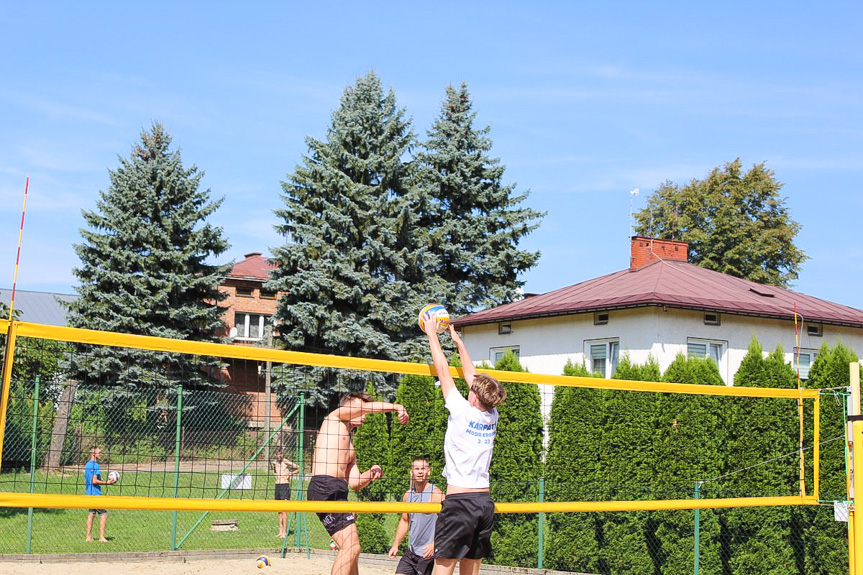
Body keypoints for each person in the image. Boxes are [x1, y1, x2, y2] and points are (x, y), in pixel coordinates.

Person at [422, 321, 506, 575]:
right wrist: (458, 341)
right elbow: (474, 377)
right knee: (470, 570)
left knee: (443, 567)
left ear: (473, 396)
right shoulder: (492, 415)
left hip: (459, 503)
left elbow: (443, 370)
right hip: (483, 502)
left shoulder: (461, 411)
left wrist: (431, 335)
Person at [308, 392, 410, 575]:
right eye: (359, 408)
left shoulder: (350, 446)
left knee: (353, 550)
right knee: (351, 547)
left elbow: (355, 483)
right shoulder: (334, 420)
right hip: (324, 487)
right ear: (347, 408)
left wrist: (370, 474)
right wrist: (396, 406)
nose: (363, 413)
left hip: (338, 491)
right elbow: (367, 408)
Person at [388, 457, 444, 575]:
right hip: (411, 553)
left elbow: (448, 522)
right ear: (411, 471)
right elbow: (404, 521)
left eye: (423, 469)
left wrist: (435, 544)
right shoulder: (408, 495)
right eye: (417, 468)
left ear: (429, 471)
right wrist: (395, 544)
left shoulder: (436, 494)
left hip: (428, 554)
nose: (420, 472)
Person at [84, 446, 116, 542]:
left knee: (91, 514)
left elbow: (91, 479)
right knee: (104, 514)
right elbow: (94, 481)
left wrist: (100, 479)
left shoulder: (87, 465)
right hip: (95, 494)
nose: (100, 454)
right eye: (99, 452)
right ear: (93, 454)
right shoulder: (95, 465)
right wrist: (107, 482)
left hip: (89, 493)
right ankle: (101, 537)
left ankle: (88, 537)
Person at [272, 448, 300, 538]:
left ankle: (285, 531)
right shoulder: (274, 463)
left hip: (285, 485)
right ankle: (280, 531)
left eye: (281, 454)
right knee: (279, 510)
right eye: (278, 454)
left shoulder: (286, 462)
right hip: (277, 486)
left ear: (283, 454)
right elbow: (274, 473)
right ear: (276, 455)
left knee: (284, 510)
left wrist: (292, 473)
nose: (279, 456)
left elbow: (299, 468)